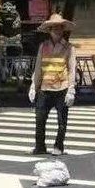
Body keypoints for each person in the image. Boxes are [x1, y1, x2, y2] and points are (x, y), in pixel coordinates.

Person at [28, 13, 76, 156]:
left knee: (62, 122)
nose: (58, 30)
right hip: (45, 88)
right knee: (39, 119)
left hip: (62, 87)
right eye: (55, 28)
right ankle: (40, 147)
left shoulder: (69, 48)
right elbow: (38, 69)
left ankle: (58, 146)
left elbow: (72, 69)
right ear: (49, 30)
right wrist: (33, 86)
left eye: (60, 27)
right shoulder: (43, 47)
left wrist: (71, 89)